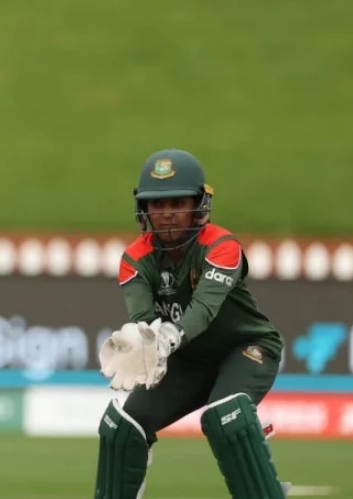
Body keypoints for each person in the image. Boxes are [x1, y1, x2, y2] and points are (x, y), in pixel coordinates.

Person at [95, 148, 289, 498]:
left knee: (225, 417)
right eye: (158, 204)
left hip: (245, 348)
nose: (167, 214)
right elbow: (144, 322)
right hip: (188, 361)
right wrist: (143, 343)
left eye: (178, 203)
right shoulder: (135, 259)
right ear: (144, 209)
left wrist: (167, 338)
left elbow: (204, 309)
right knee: (122, 426)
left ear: (199, 205)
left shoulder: (221, 246)